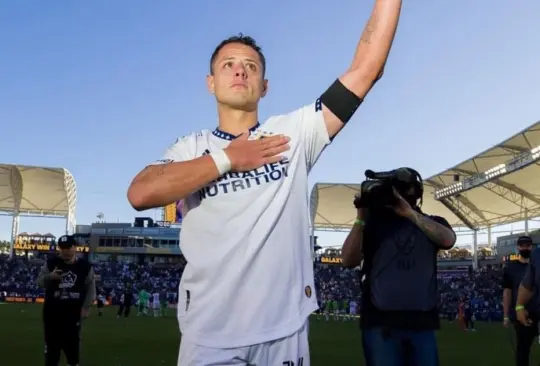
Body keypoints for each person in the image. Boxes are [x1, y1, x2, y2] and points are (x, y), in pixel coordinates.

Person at [127, 0, 402, 364]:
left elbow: (367, 68)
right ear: (211, 83)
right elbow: (141, 192)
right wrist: (228, 158)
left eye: (250, 66)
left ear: (264, 85)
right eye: (229, 65)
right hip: (209, 334)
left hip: (283, 331)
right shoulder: (191, 148)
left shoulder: (294, 133)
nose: (240, 72)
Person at [341, 168, 456, 366]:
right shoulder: (373, 224)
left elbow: (448, 240)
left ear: (415, 193)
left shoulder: (433, 222)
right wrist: (361, 217)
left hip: (421, 321)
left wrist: (409, 214)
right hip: (380, 322)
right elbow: (348, 259)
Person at [36, 235, 96, 366]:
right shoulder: (51, 263)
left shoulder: (85, 266)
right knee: (52, 350)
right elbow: (39, 282)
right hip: (52, 312)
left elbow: (91, 288)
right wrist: (50, 276)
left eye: (68, 247)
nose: (65, 251)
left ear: (75, 248)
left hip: (73, 312)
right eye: (62, 248)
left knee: (72, 349)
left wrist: (86, 308)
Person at [503, 235, 536, 366]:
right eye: (522, 245)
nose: (525, 248)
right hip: (520, 312)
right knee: (523, 349)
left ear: (531, 247)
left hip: (537, 311)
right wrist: (505, 316)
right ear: (518, 247)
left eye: (527, 245)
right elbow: (507, 292)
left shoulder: (537, 265)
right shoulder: (510, 267)